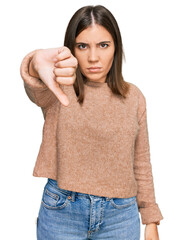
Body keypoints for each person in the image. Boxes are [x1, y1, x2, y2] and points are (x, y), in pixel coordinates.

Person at [20, 5, 163, 240]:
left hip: (121, 217)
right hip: (62, 212)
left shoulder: (133, 97)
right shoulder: (57, 87)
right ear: (71, 48)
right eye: (82, 46)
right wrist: (36, 62)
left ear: (116, 47)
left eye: (103, 45)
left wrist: (150, 218)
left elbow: (141, 162)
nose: (93, 57)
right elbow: (34, 82)